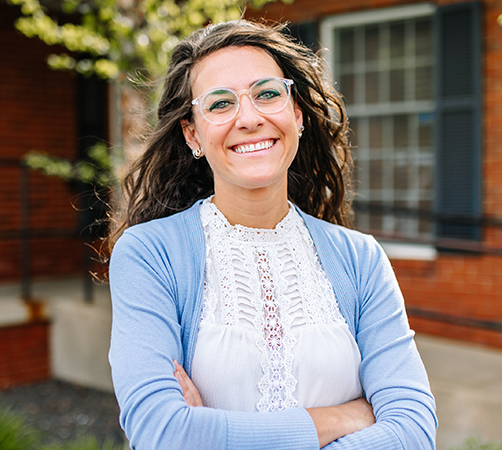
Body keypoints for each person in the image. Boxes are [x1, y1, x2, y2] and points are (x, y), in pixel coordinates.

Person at [107, 20, 437, 449]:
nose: (249, 118)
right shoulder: (150, 256)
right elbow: (164, 433)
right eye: (221, 104)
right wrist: (346, 416)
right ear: (193, 133)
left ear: (295, 114)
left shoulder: (361, 259)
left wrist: (214, 432)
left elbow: (413, 432)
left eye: (266, 94)